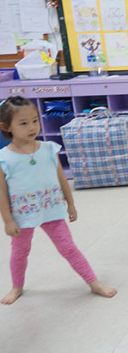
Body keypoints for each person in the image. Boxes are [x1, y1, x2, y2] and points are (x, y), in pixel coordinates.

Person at [0, 97, 117, 304]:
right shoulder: (4, 158)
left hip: (52, 209)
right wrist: (8, 220)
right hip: (22, 214)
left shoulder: (48, 149)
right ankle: (17, 286)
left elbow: (61, 179)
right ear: (6, 127)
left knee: (68, 248)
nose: (32, 127)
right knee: (20, 252)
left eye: (35, 121)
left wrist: (70, 203)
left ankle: (93, 282)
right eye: (23, 123)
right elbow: (1, 191)